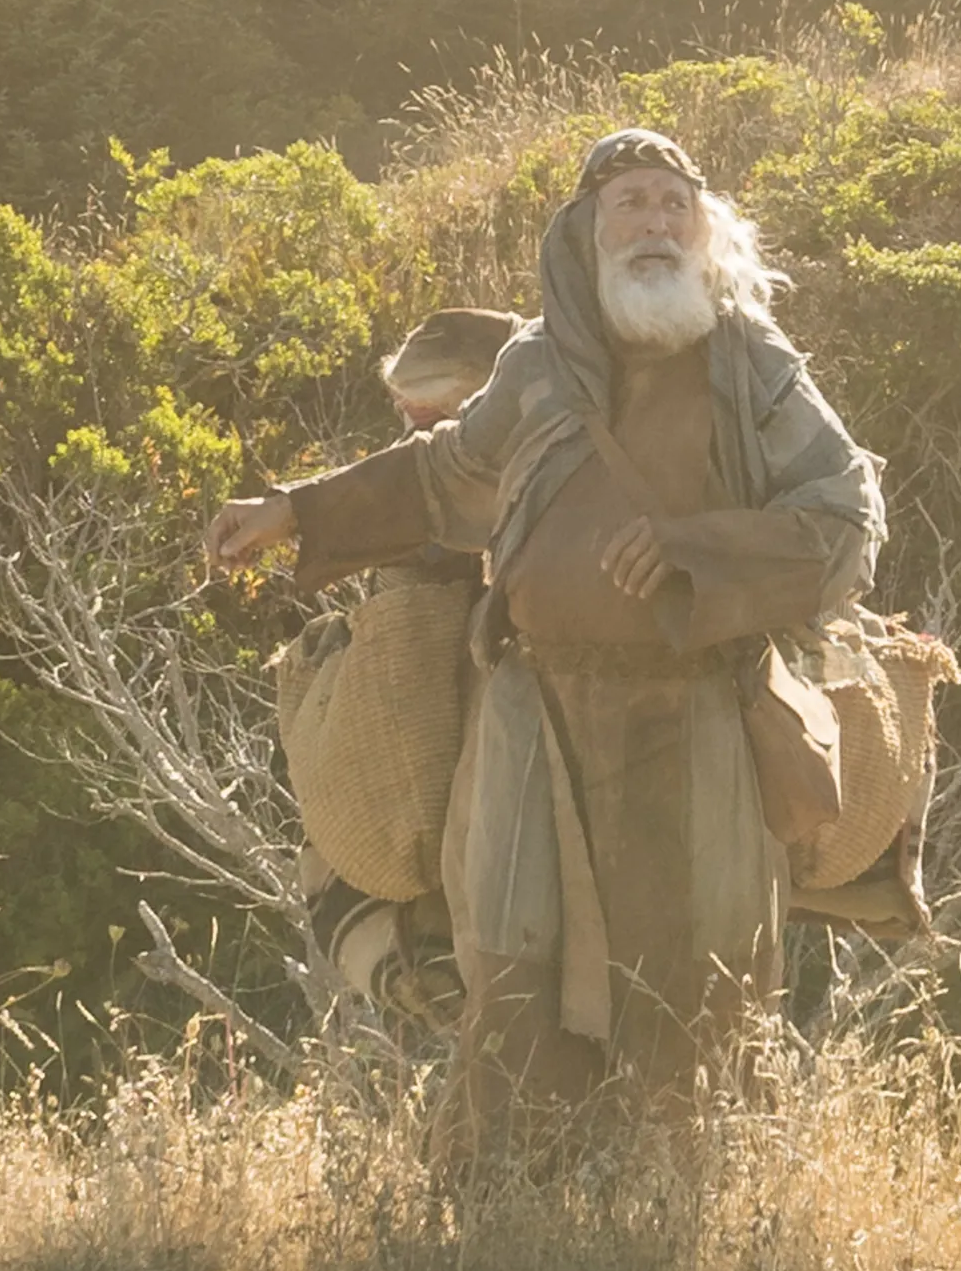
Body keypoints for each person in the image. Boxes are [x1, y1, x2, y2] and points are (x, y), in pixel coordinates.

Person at [206, 129, 884, 1150]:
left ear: (702, 229)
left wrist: (696, 551)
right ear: (584, 231)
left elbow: (847, 517)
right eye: (630, 205)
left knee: (695, 981)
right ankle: (509, 1228)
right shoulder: (534, 360)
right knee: (515, 970)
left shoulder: (754, 365)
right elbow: (445, 476)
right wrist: (297, 510)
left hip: (697, 716)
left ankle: (684, 1222)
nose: (653, 223)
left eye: (672, 205)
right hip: (533, 718)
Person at [296, 305, 521, 1032]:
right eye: (408, 413)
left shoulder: (531, 462)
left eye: (436, 415)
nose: (416, 434)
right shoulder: (422, 474)